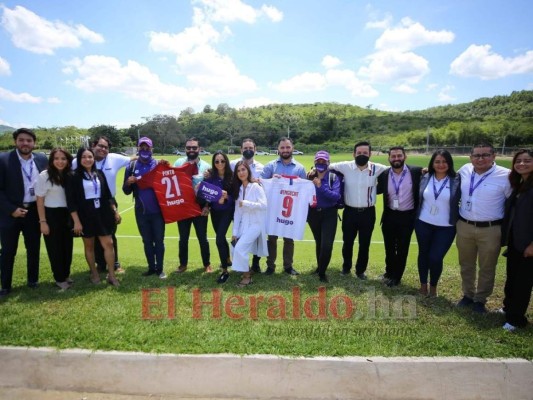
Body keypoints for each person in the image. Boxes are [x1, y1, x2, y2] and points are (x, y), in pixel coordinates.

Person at [456, 142, 511, 313]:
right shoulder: (465, 169)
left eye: (485, 155)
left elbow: (513, 202)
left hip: (491, 228)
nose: (480, 159)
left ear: (494, 156)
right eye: (476, 155)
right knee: (466, 264)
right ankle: (468, 295)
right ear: (470, 157)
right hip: (464, 225)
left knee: (487, 266)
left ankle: (480, 299)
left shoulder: (506, 175)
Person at [0, 128, 48, 297]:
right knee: (7, 251)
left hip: (34, 211)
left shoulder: (41, 159)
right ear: (15, 142)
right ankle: (5, 285)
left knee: (33, 248)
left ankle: (33, 281)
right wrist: (11, 209)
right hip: (10, 213)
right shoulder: (3, 159)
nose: (25, 143)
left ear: (34, 143)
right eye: (21, 140)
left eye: (29, 140)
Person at [72, 136, 131, 273]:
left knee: (109, 234)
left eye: (106, 147)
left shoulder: (114, 158)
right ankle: (100, 264)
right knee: (92, 235)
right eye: (100, 146)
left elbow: (134, 159)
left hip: (108, 201)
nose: (103, 149)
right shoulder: (78, 161)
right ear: (93, 145)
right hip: (86, 204)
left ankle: (114, 264)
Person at [329, 141, 387, 280]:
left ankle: (360, 270)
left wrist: (423, 170)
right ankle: (346, 267)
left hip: (368, 213)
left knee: (364, 243)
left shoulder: (377, 168)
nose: (362, 155)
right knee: (347, 242)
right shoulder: (345, 166)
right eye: (359, 153)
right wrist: (313, 170)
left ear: (370, 154)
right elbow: (327, 166)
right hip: (349, 212)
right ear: (354, 154)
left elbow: (398, 169)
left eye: (365, 153)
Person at [66, 147, 121, 286]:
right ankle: (94, 273)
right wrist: (76, 222)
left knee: (108, 244)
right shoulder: (73, 176)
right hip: (85, 215)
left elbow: (108, 196)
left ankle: (112, 275)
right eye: (84, 157)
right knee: (89, 246)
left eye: (90, 156)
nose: (87, 159)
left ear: (93, 158)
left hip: (103, 214)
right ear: (79, 159)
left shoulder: (100, 173)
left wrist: (114, 211)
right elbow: (71, 202)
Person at [414, 150, 461, 297]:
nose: (441, 165)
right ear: (432, 163)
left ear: (450, 163)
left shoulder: (457, 179)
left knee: (435, 257)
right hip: (423, 223)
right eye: (437, 162)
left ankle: (433, 286)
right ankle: (423, 285)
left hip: (446, 227)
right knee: (423, 254)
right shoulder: (425, 177)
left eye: (444, 161)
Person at [260, 137, 307, 275]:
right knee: (272, 238)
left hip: (290, 210)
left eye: (287, 147)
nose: (285, 150)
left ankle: (288, 266)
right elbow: (260, 183)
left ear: (292, 148)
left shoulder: (299, 168)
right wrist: (270, 180)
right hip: (273, 209)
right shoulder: (270, 166)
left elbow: (304, 190)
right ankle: (270, 266)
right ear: (278, 149)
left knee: (289, 238)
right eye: (282, 148)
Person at [377, 146, 422, 287]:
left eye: (399, 156)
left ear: (405, 157)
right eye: (393, 156)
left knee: (402, 249)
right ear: (389, 158)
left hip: (407, 217)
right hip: (389, 215)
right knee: (389, 248)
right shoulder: (384, 174)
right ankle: (389, 272)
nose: (396, 159)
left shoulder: (416, 172)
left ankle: (397, 277)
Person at [123, 137, 166, 279]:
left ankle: (160, 269)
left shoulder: (158, 165)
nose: (145, 150)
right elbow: (126, 191)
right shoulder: (132, 167)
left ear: (152, 149)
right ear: (138, 148)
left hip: (158, 211)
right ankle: (151, 268)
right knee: (146, 241)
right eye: (142, 147)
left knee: (159, 241)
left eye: (147, 147)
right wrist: (128, 183)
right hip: (141, 211)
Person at [500, 149, 533, 331]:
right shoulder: (520, 184)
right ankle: (508, 309)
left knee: (523, 282)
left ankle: (516, 319)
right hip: (515, 241)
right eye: (518, 161)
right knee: (512, 278)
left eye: (527, 160)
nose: (521, 164)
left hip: (528, 244)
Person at [36, 148, 74, 290]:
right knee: (55, 248)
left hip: (67, 214)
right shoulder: (44, 176)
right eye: (56, 158)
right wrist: (43, 221)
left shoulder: (69, 175)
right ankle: (59, 278)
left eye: (63, 159)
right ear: (51, 160)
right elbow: (39, 200)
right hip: (51, 215)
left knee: (67, 247)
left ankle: (66, 274)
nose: (60, 161)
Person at [173, 137, 212, 273]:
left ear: (199, 149)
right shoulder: (178, 163)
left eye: (194, 148)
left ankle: (207, 264)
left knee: (203, 237)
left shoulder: (207, 167)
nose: (191, 150)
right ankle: (183, 264)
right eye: (188, 147)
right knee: (183, 238)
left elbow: (210, 189)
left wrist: (207, 206)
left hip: (200, 207)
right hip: (183, 207)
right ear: (185, 149)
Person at [231, 161, 268, 287]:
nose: (241, 172)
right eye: (238, 170)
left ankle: (247, 277)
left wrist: (246, 203)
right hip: (243, 223)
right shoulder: (239, 189)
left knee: (240, 248)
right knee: (234, 246)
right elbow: (237, 213)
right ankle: (245, 270)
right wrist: (234, 233)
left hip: (256, 223)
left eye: (243, 169)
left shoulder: (256, 186)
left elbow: (264, 205)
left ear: (248, 170)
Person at [230, 138, 264, 273]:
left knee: (253, 242)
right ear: (241, 149)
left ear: (255, 149)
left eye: (251, 148)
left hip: (255, 217)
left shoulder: (261, 168)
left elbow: (265, 188)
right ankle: (244, 268)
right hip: (241, 215)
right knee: (236, 244)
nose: (241, 173)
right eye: (245, 148)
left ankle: (253, 267)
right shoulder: (232, 164)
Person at [307, 151, 341, 283]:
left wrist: (320, 186)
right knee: (319, 242)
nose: (321, 163)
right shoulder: (308, 176)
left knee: (327, 244)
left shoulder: (333, 178)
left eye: (323, 161)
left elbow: (335, 196)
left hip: (329, 213)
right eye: (318, 161)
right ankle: (319, 267)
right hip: (313, 214)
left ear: (328, 163)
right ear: (314, 162)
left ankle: (322, 272)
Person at [205, 151, 235, 283]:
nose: (220, 164)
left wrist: (226, 197)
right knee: (221, 238)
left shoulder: (232, 177)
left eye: (222, 161)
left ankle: (224, 271)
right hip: (215, 212)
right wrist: (206, 205)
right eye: (217, 161)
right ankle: (227, 259)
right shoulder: (210, 176)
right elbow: (206, 195)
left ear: (226, 162)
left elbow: (236, 195)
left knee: (218, 239)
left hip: (228, 212)